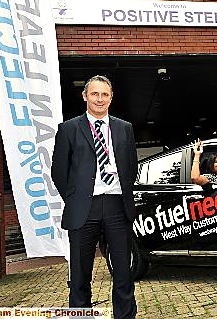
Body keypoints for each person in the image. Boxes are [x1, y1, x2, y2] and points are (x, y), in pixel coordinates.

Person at [52, 75, 138, 318]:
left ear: (111, 98)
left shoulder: (125, 128)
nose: (99, 99)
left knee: (123, 272)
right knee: (79, 275)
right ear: (85, 96)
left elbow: (131, 168)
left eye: (104, 95)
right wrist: (76, 198)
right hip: (83, 209)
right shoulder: (68, 129)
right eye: (94, 94)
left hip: (117, 206)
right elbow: (59, 171)